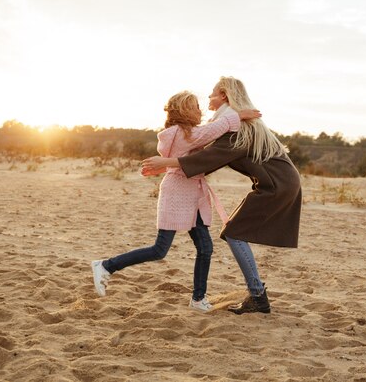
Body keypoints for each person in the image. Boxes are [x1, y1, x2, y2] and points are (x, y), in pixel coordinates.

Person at [141, 77, 302, 315]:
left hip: (276, 185)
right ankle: (257, 295)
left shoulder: (238, 131)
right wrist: (167, 167)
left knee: (234, 233)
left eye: (212, 94)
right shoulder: (234, 126)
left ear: (224, 96)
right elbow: (207, 161)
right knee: (234, 231)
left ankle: (258, 296)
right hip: (277, 183)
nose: (208, 99)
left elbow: (205, 159)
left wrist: (165, 162)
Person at [91, 91, 260, 312]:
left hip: (194, 195)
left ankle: (198, 299)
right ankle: (105, 266)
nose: (200, 110)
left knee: (205, 247)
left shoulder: (188, 133)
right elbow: (211, 130)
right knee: (160, 249)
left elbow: (204, 134)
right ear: (184, 110)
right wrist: (239, 115)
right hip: (177, 193)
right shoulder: (181, 133)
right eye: (195, 107)